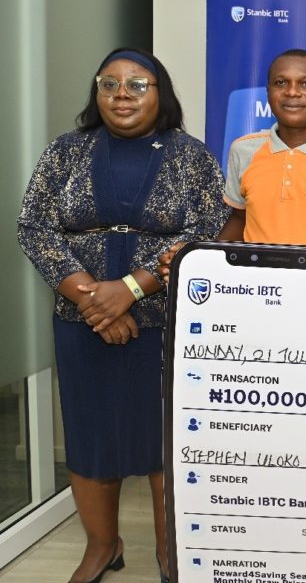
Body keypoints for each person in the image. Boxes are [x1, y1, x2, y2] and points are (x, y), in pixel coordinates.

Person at [17, 47, 228, 583]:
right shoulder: (66, 151)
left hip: (162, 320)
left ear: (161, 93)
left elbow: (207, 233)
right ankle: (101, 547)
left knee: (161, 440)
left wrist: (131, 289)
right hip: (81, 319)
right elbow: (34, 227)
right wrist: (94, 301)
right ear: (96, 93)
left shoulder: (192, 157)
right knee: (90, 437)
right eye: (108, 84)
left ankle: (166, 552)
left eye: (137, 85)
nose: (121, 95)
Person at [159, 48, 306, 314]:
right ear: (268, 94)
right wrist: (205, 264)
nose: (292, 92)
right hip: (254, 292)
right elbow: (239, 219)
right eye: (280, 83)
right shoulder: (243, 150)